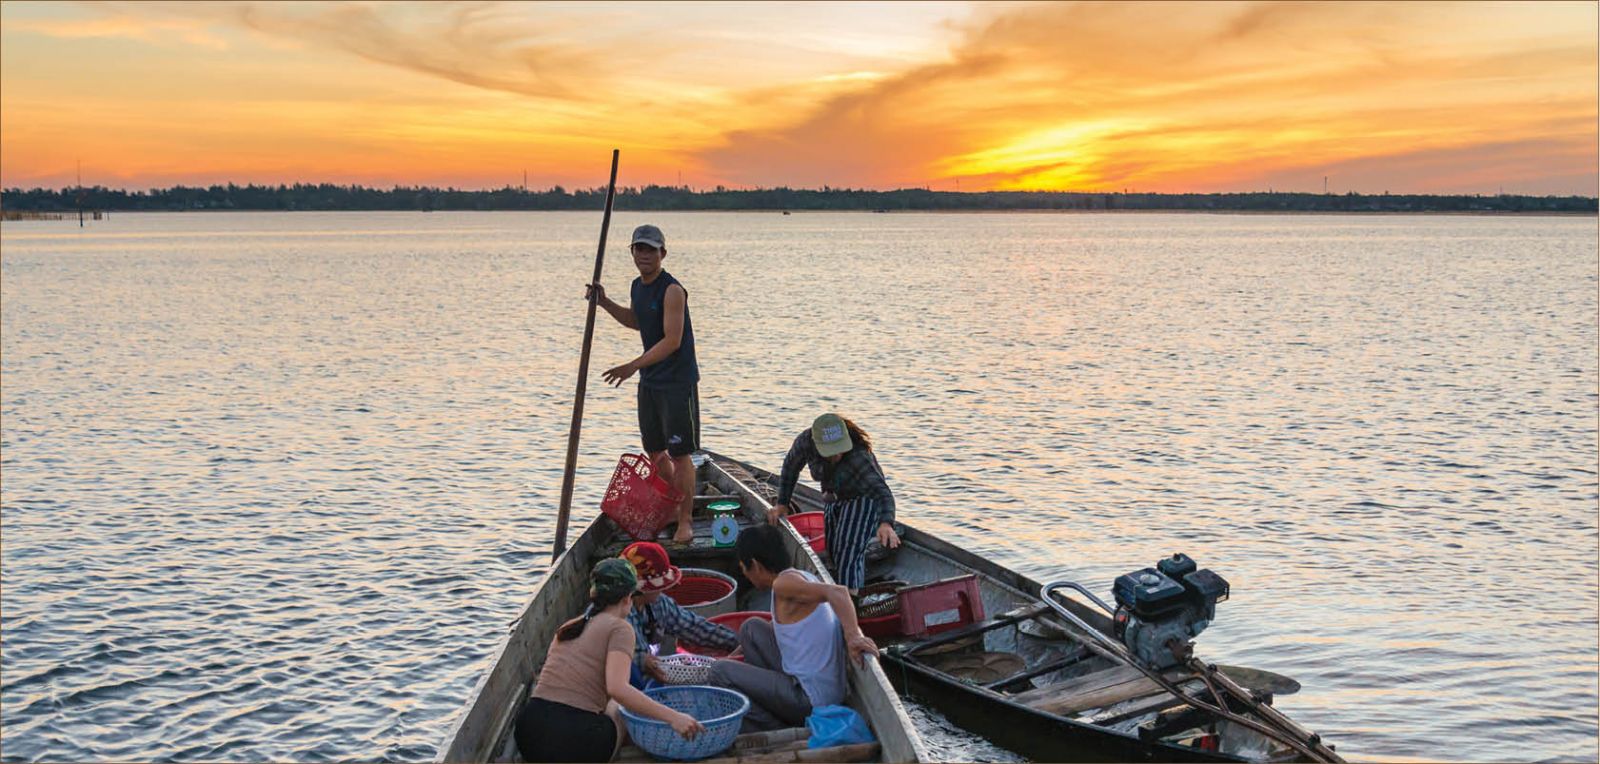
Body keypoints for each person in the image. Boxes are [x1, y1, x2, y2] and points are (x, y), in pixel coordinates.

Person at [514, 558, 704, 762]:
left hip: (528, 732)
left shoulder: (570, 626)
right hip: (572, 741)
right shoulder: (620, 628)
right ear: (628, 598)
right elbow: (617, 689)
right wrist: (674, 717)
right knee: (620, 706)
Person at [587, 224, 700, 544]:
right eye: (639, 249)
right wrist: (604, 303)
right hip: (650, 382)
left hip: (677, 382)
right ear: (632, 253)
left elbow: (672, 340)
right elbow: (638, 321)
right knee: (655, 452)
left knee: (680, 454)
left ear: (663, 253)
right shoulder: (637, 286)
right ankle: (673, 508)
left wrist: (632, 366)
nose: (644, 255)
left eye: (651, 250)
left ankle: (686, 520)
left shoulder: (673, 290)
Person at [706, 525, 878, 733]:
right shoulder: (800, 576)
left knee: (718, 672)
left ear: (756, 565)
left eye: (744, 567)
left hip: (809, 700)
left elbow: (839, 593)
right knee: (751, 628)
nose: (745, 573)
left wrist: (852, 637)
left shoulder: (783, 584)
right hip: (818, 688)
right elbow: (783, 630)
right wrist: (733, 657)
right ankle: (770, 704)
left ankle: (773, 726)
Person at [768, 413, 899, 593]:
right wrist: (782, 503)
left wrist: (886, 522)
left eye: (840, 448)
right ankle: (849, 579)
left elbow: (882, 492)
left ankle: (851, 601)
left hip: (862, 498)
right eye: (831, 450)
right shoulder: (806, 442)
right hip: (833, 498)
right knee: (833, 552)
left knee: (848, 554)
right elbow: (790, 468)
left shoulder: (858, 456)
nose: (837, 454)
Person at [620, 541, 739, 687]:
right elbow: (618, 656)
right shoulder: (617, 611)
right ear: (640, 590)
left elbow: (694, 627)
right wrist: (642, 660)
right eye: (658, 587)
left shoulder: (658, 603)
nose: (662, 591)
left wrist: (737, 641)